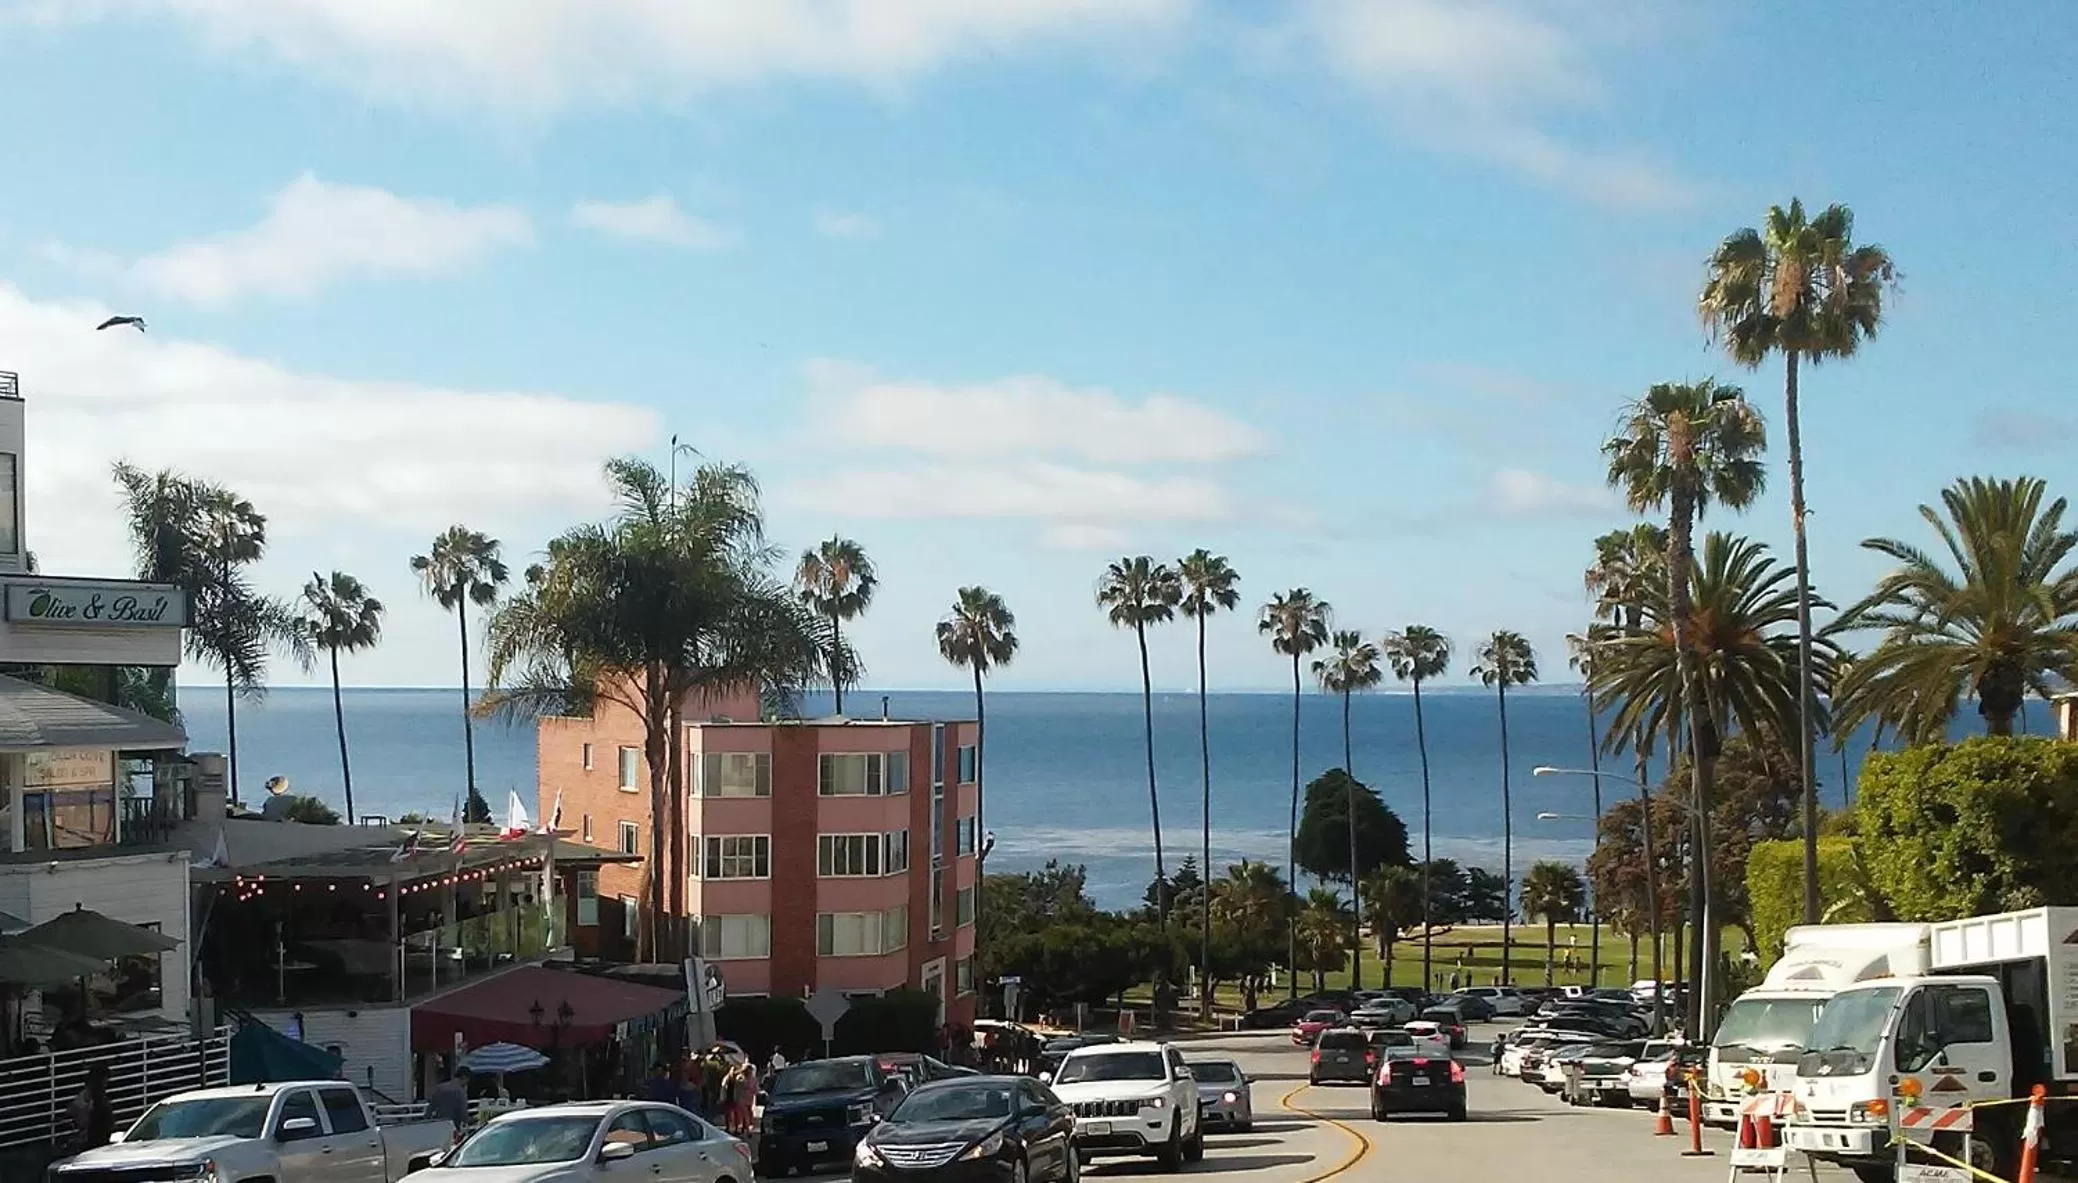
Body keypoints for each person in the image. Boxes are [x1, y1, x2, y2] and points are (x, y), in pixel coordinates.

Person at [68, 1064, 113, 1152]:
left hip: (99, 1137)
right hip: (92, 1137)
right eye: (105, 1079)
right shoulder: (90, 1095)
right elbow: (77, 1112)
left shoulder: (98, 1095)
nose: (106, 1082)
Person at [428, 1067, 471, 1136]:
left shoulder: (440, 1088)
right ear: (464, 1078)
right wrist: (469, 1120)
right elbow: (463, 1113)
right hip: (453, 1126)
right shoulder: (461, 1092)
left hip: (438, 1124)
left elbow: (430, 1108)